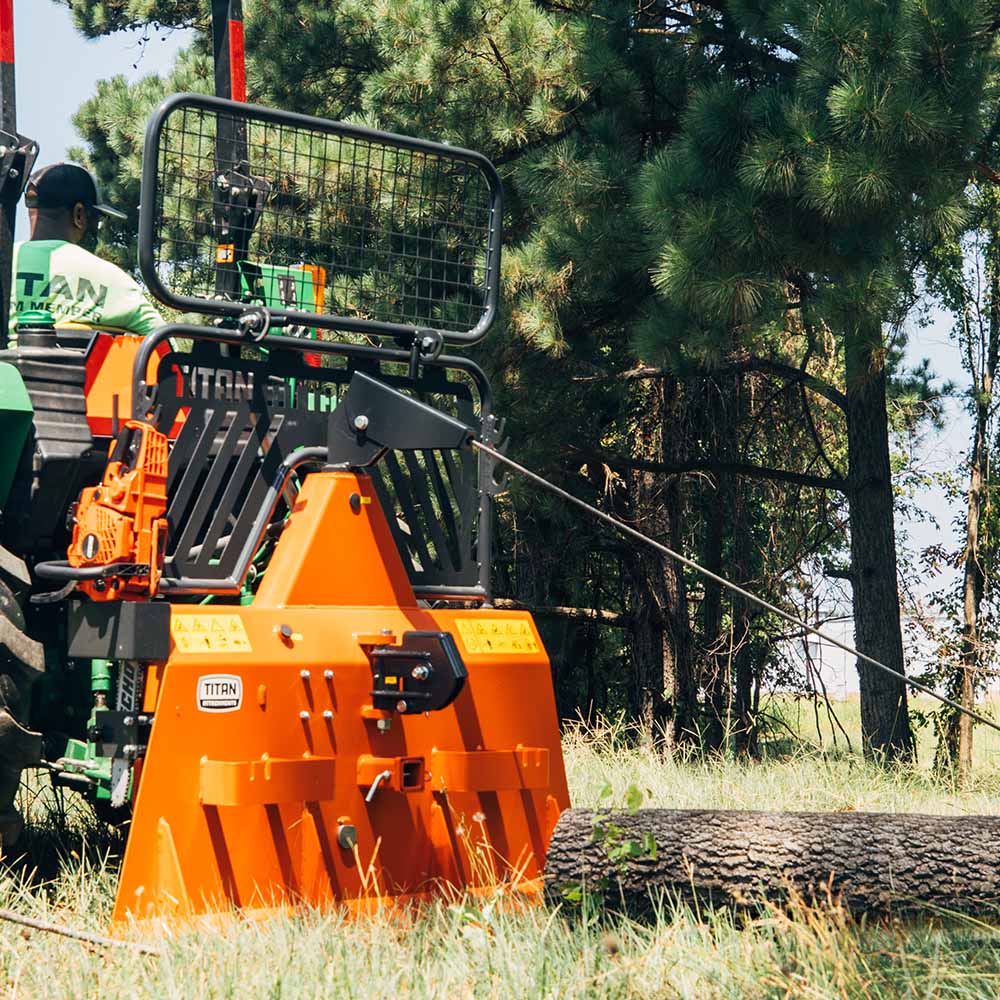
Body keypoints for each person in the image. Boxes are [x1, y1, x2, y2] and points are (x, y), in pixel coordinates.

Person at [8, 162, 164, 340]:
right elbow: (166, 344)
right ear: (79, 215)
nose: (98, 230)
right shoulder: (115, 280)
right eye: (97, 220)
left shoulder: (6, 262)